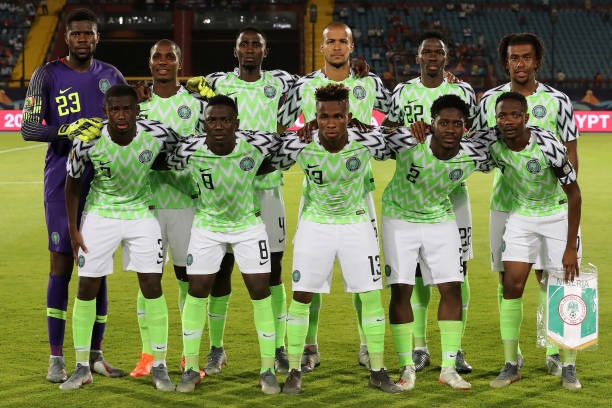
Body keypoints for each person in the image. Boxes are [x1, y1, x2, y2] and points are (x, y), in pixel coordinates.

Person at [272, 83, 401, 395]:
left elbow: (399, 139)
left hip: (356, 223)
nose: (331, 123)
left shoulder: (366, 139)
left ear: (348, 116)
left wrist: (374, 127)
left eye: (338, 116)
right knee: (301, 296)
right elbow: (271, 152)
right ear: (315, 117)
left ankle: (378, 370)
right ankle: (294, 371)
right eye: (324, 117)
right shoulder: (301, 143)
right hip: (315, 224)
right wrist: (294, 133)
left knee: (371, 297)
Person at [19, 8, 126, 383]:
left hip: (104, 184)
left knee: (97, 268)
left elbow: (128, 122)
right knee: (61, 266)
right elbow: (29, 128)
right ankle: (56, 359)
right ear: (67, 38)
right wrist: (68, 130)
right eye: (77, 34)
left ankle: (96, 356)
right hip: (60, 182)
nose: (83, 39)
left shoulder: (111, 75)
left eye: (89, 34)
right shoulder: (46, 74)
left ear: (97, 37)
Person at [277, 21, 391, 372]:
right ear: (322, 47)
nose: (337, 47)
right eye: (331, 42)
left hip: (359, 192)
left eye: (343, 41)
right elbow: (282, 125)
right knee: (310, 278)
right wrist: (303, 129)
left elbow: (394, 119)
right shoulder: (304, 86)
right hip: (316, 193)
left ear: (352, 47)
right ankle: (308, 346)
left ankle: (366, 345)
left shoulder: (370, 83)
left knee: (364, 278)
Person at [186, 27, 297, 376]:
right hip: (224, 187)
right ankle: (216, 348)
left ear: (266, 51)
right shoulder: (217, 82)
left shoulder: (282, 82)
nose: (250, 49)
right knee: (220, 270)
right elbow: (197, 111)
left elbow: (304, 100)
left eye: (256, 45)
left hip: (266, 186)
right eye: (244, 44)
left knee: (273, 270)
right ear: (235, 51)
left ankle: (278, 346)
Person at [472, 32, 580, 375]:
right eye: (514, 58)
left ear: (537, 61)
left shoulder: (558, 101)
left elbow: (571, 153)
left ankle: (554, 348)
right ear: (505, 63)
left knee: (550, 277)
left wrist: (563, 199)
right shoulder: (489, 101)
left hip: (549, 205)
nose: (520, 63)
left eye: (526, 57)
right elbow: (475, 144)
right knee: (508, 277)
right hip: (506, 202)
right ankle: (513, 353)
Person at [61, 84, 179, 391]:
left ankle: (160, 365)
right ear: (106, 112)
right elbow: (72, 183)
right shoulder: (88, 140)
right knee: (86, 286)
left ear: (137, 110)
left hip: (141, 213)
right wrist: (73, 229)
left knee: (152, 285)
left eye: (127, 109)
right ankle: (82, 367)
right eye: (115, 109)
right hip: (101, 214)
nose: (122, 115)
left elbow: (181, 153)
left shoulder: (158, 134)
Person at [168, 95, 283, 394]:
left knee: (260, 290)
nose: (218, 125)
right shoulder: (190, 149)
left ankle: (267, 369)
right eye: (212, 120)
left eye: (225, 120)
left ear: (236, 123)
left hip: (248, 226)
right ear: (204, 124)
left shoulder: (255, 146)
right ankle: (191, 367)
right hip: (207, 227)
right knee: (196, 291)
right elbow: (163, 160)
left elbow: (284, 150)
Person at [382, 31, 477, 379]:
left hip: (453, 192)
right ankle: (420, 347)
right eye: (427, 52)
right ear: (419, 58)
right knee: (416, 274)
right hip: (412, 190)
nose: (433, 56)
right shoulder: (403, 92)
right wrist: (409, 132)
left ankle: (455, 348)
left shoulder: (463, 91)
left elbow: (476, 134)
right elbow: (387, 132)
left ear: (446, 58)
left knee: (457, 272)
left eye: (439, 52)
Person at [128, 39, 207, 378]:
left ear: (179, 62)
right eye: (157, 57)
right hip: (145, 207)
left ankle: (189, 357)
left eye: (169, 56)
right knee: (147, 282)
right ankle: (148, 355)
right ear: (149, 63)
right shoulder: (137, 107)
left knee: (189, 281)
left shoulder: (196, 105)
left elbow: (206, 150)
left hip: (186, 204)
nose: (163, 61)